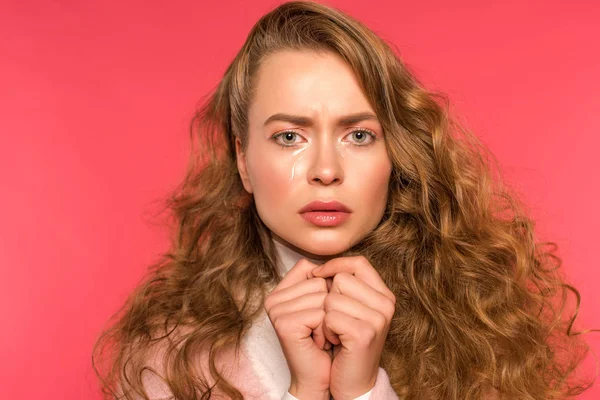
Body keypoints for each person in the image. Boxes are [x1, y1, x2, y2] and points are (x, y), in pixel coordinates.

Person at [92, 1, 598, 399]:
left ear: (394, 153)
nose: (327, 171)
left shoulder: (483, 333)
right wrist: (304, 393)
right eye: (290, 137)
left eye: (358, 135)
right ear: (244, 161)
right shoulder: (165, 358)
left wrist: (361, 392)